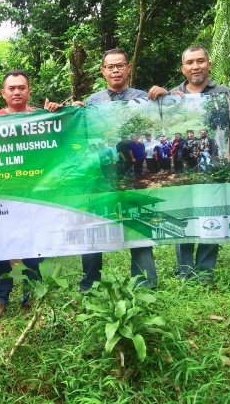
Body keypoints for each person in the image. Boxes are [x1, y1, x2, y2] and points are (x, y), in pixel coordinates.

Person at [149, 46, 230, 281]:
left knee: (211, 209)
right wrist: (158, 97)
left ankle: (205, 269)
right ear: (183, 68)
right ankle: (184, 268)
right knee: (183, 212)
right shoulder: (172, 95)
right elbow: (159, 123)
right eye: (190, 63)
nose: (196, 66)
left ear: (209, 63)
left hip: (209, 162)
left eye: (201, 61)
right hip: (184, 162)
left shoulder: (224, 93)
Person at [79, 49, 157, 292]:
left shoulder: (145, 98)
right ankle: (90, 284)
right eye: (110, 67)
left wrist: (167, 96)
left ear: (128, 68)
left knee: (138, 221)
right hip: (103, 174)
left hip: (132, 173)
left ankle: (145, 284)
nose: (115, 70)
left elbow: (159, 121)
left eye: (119, 65)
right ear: (103, 71)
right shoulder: (92, 102)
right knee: (94, 225)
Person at [0, 70, 62, 318]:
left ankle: (32, 293)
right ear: (3, 93)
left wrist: (65, 110)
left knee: (32, 244)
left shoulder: (41, 117)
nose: (16, 92)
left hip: (34, 193)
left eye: (21, 87)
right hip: (2, 192)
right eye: (11, 88)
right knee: (0, 246)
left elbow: (60, 139)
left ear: (29, 91)